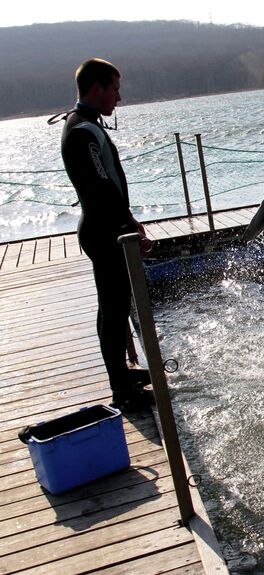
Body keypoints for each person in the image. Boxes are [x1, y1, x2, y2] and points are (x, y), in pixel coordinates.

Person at [57, 58, 154, 411]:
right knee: (113, 310)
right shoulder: (82, 130)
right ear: (96, 89)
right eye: (114, 88)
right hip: (103, 231)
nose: (119, 96)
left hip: (104, 227)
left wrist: (127, 222)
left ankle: (122, 376)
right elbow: (101, 187)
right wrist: (130, 226)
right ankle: (122, 390)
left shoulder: (86, 125)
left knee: (112, 308)